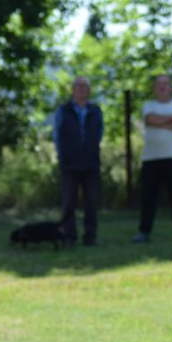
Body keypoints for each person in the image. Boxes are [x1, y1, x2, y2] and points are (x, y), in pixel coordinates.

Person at [133, 75, 172, 243]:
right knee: (148, 197)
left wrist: (160, 121)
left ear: (171, 87)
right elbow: (150, 119)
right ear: (154, 88)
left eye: (165, 84)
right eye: (158, 84)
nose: (162, 87)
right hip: (151, 159)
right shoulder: (148, 105)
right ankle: (144, 232)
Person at [53, 76, 104, 246]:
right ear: (73, 89)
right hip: (69, 164)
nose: (82, 89)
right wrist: (62, 156)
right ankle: (69, 236)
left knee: (91, 202)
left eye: (85, 86)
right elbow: (57, 135)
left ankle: (91, 236)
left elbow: (99, 134)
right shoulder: (64, 110)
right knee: (69, 202)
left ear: (89, 90)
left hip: (91, 163)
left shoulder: (96, 111)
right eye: (78, 86)